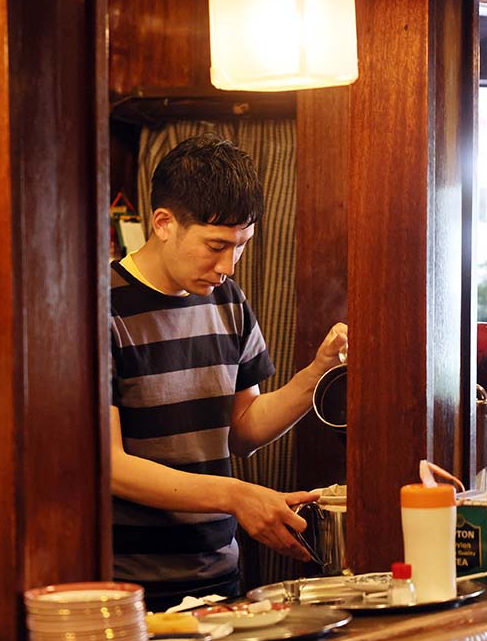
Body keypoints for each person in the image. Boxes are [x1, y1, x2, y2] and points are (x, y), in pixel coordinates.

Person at [110, 134, 349, 610]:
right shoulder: (103, 307)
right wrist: (237, 496)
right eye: (215, 245)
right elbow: (108, 466)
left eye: (241, 245)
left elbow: (241, 430)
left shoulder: (228, 301)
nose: (228, 265)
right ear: (163, 223)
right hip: (132, 586)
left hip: (221, 575)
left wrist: (320, 370)